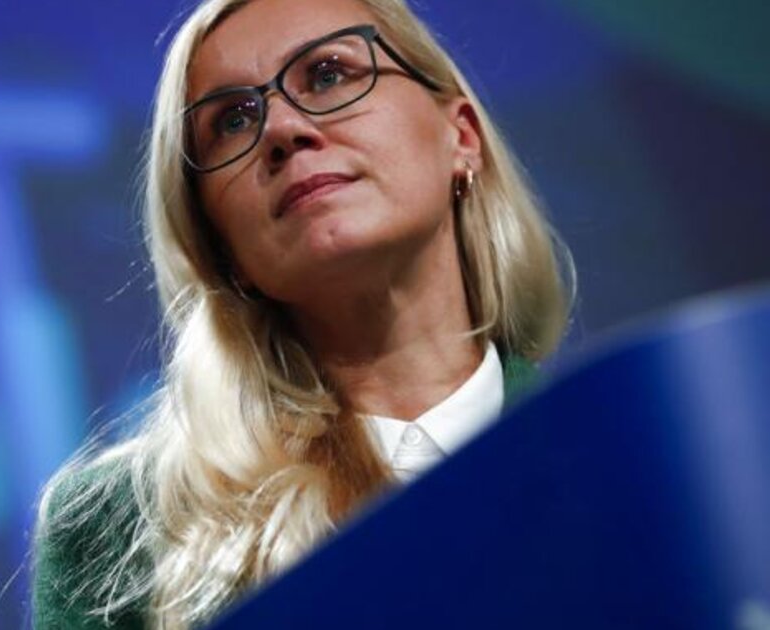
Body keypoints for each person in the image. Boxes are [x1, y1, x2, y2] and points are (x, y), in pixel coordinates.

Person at [33, 0, 572, 627]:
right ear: (218, 244)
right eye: (233, 121)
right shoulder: (117, 529)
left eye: (328, 74)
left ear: (462, 137)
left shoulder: (621, 452)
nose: (283, 129)